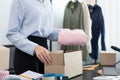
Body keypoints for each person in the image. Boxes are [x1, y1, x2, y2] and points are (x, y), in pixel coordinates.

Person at [6, 0, 58, 74]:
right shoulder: (20, 1)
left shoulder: (48, 2)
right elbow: (12, 33)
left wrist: (65, 36)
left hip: (44, 54)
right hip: (25, 55)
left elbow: (46, 31)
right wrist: (35, 47)